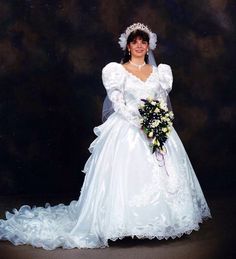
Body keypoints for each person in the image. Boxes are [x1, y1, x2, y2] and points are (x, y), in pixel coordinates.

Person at [0, 22, 211, 250]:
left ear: (149, 46)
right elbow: (118, 103)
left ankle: (162, 223)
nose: (139, 45)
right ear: (128, 46)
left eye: (143, 41)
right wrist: (141, 122)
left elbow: (161, 102)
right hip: (127, 128)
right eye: (135, 41)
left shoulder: (161, 73)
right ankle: (121, 225)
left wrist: (157, 122)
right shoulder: (116, 71)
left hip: (157, 127)